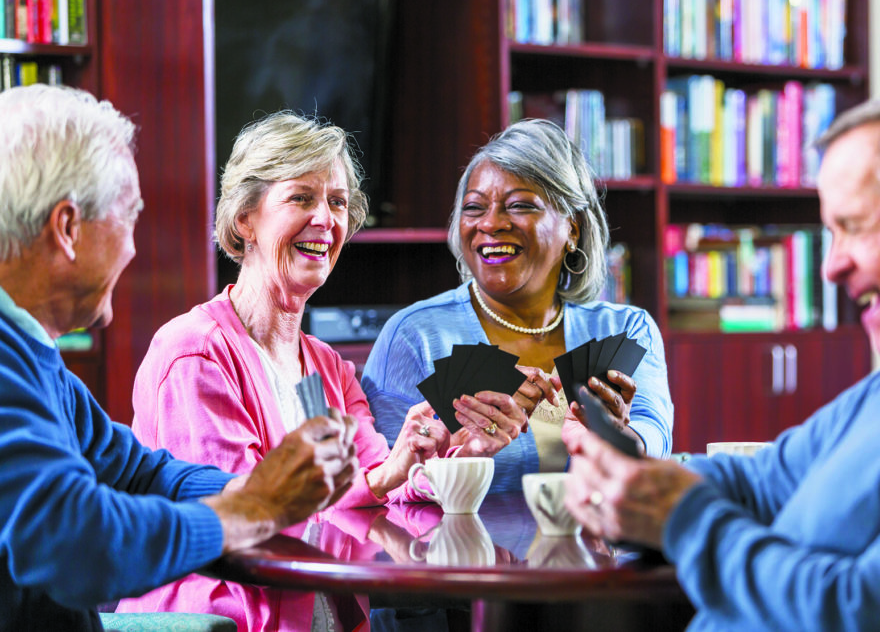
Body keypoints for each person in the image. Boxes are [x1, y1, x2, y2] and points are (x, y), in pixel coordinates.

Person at [564, 82, 880, 631]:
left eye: (853, 227)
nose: (830, 267)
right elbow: (761, 482)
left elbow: (875, 616)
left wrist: (682, 518)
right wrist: (633, 482)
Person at [115, 110, 504, 631]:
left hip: (316, 610)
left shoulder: (329, 367)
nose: (326, 218)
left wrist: (424, 457)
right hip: (224, 618)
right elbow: (247, 514)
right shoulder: (195, 353)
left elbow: (370, 482)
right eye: (301, 197)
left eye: (338, 202)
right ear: (244, 220)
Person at [0, 85, 360, 632]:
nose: (133, 247)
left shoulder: (32, 356)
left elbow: (136, 471)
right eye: (129, 215)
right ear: (68, 229)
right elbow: (72, 542)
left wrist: (253, 491)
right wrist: (249, 510)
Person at [362, 119, 673, 494]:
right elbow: (385, 489)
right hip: (455, 550)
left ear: (572, 228)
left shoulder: (624, 329)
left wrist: (618, 438)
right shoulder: (415, 335)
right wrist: (463, 454)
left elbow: (655, 445)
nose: (491, 223)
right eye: (474, 208)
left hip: (595, 550)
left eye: (520, 205)